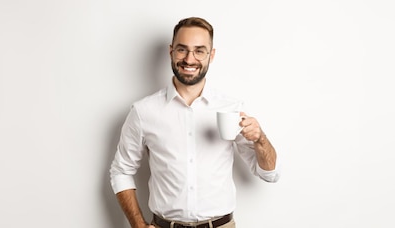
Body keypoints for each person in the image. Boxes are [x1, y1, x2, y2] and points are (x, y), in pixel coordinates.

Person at [109, 17, 280, 228]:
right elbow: (121, 171)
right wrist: (137, 224)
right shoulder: (144, 111)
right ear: (171, 51)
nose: (190, 59)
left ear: (211, 55)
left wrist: (260, 138)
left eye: (199, 51)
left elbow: (269, 174)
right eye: (182, 50)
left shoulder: (231, 108)